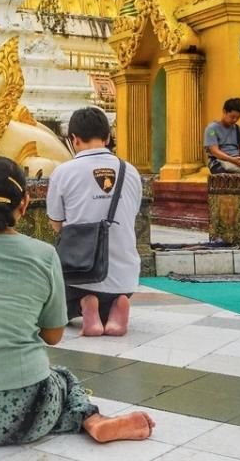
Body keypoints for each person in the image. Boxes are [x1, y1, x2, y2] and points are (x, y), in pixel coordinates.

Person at [0, 157, 155, 447]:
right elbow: (53, 335)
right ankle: (92, 420)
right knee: (61, 377)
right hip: (32, 414)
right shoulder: (44, 255)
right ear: (24, 204)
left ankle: (80, 420)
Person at [47, 107, 143, 337]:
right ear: (108, 138)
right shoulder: (130, 171)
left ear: (74, 139)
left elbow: (56, 223)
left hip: (80, 275)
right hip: (125, 280)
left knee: (60, 295)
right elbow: (132, 214)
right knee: (115, 290)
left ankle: (86, 305)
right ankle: (117, 307)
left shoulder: (63, 172)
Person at [205, 98, 240, 174]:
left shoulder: (239, 129)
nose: (235, 120)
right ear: (224, 111)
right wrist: (232, 159)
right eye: (232, 117)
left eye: (238, 117)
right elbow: (214, 151)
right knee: (226, 179)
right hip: (218, 161)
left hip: (237, 160)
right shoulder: (211, 129)